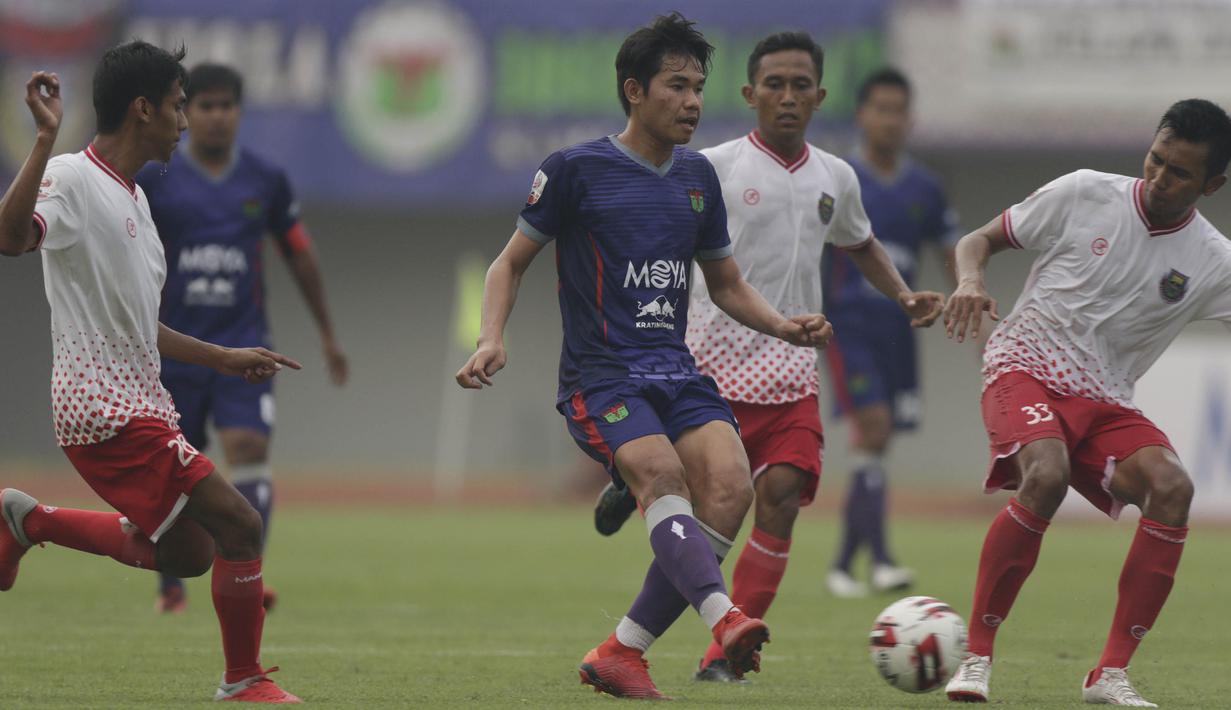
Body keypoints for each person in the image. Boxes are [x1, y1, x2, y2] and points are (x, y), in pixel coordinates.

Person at [455, 13, 831, 700]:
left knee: (732, 488)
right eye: (676, 86)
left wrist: (782, 325)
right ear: (635, 90)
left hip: (677, 370)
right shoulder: (574, 170)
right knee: (662, 476)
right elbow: (507, 265)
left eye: (698, 88)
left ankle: (622, 651)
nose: (692, 102)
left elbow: (725, 284)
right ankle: (725, 617)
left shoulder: (695, 178)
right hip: (601, 377)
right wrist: (489, 338)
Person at [0, 41, 302, 703]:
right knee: (241, 525)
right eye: (176, 105)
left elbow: (142, 329)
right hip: (104, 407)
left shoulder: (135, 203)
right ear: (143, 110)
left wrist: (224, 356)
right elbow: (11, 237)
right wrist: (44, 142)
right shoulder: (74, 177)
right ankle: (243, 679)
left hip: (141, 403)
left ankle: (29, 521)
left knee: (188, 554)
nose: (186, 121)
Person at [942, 98, 1231, 706]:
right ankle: (976, 658)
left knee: (1174, 489)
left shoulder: (1214, 261)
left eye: (1179, 173)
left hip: (1105, 401)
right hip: (1023, 367)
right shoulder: (1083, 192)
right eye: (1155, 159)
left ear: (1214, 184)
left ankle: (1109, 674)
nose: (1157, 178)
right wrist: (970, 280)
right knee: (1045, 473)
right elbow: (978, 240)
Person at [136, 62, 348, 614]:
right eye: (202, 105)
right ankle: (172, 584)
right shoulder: (157, 179)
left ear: (239, 112)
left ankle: (246, 574)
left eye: (226, 105)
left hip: (245, 345)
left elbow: (298, 252)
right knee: (177, 468)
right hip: (176, 349)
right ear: (186, 112)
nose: (214, 116)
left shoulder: (264, 179)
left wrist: (327, 333)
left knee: (250, 449)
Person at [822, 67, 960, 598]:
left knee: (876, 447)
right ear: (861, 115)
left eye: (899, 110)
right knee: (873, 427)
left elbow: (950, 249)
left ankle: (842, 565)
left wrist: (968, 297)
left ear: (910, 118)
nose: (890, 120)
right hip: (849, 325)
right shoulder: (839, 178)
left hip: (900, 330)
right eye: (880, 108)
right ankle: (880, 560)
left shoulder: (924, 186)